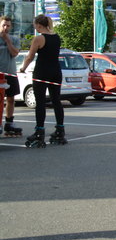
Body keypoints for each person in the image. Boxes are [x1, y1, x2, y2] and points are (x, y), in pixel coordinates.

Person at [19, 14, 66, 147]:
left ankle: (39, 132)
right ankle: (60, 130)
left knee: (40, 102)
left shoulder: (39, 38)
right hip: (56, 72)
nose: (34, 27)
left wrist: (23, 68)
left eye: (35, 25)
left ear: (39, 25)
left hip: (42, 72)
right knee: (56, 100)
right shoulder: (56, 37)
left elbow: (30, 56)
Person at [0, 16, 23, 137]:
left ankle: (9, 122)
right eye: (3, 25)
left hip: (11, 73)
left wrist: (7, 40)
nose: (5, 28)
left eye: (8, 25)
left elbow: (14, 53)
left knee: (11, 99)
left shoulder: (14, 39)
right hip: (0, 75)